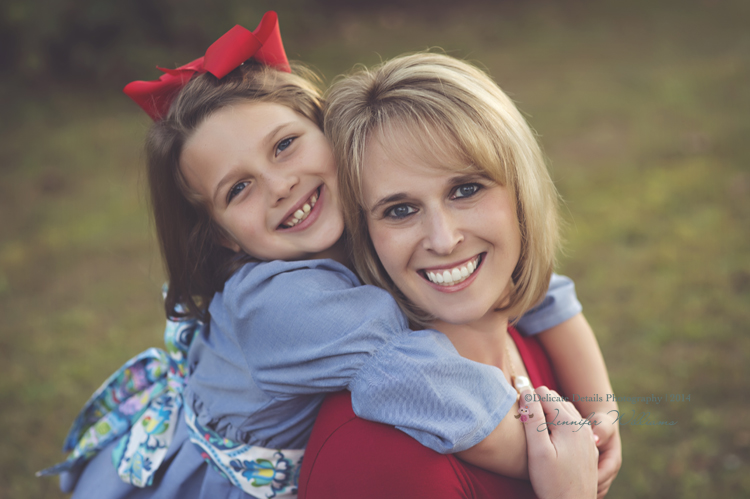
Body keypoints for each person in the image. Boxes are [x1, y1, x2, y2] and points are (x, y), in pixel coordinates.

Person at [39, 13, 613, 499]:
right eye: (238, 189)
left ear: (328, 129)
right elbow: (412, 377)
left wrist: (600, 413)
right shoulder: (281, 306)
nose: (280, 185)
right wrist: (552, 462)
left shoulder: (369, 220)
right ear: (222, 237)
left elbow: (537, 287)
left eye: (285, 145)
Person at [299, 52, 617, 498]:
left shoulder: (532, 338)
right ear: (364, 234)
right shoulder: (376, 453)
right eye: (400, 210)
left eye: (465, 190)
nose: (443, 240)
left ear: (521, 192)